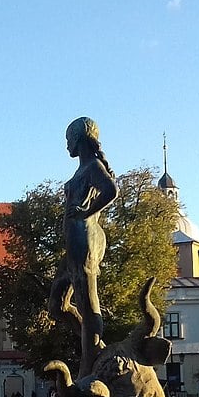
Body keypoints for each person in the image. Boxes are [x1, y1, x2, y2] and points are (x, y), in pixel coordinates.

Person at [48, 116, 119, 378]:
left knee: (88, 303)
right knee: (57, 305)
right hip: (73, 244)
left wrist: (87, 210)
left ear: (80, 139)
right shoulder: (82, 169)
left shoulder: (92, 167)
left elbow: (111, 191)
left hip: (84, 239)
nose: (66, 145)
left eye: (69, 139)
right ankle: (95, 343)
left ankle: (87, 370)